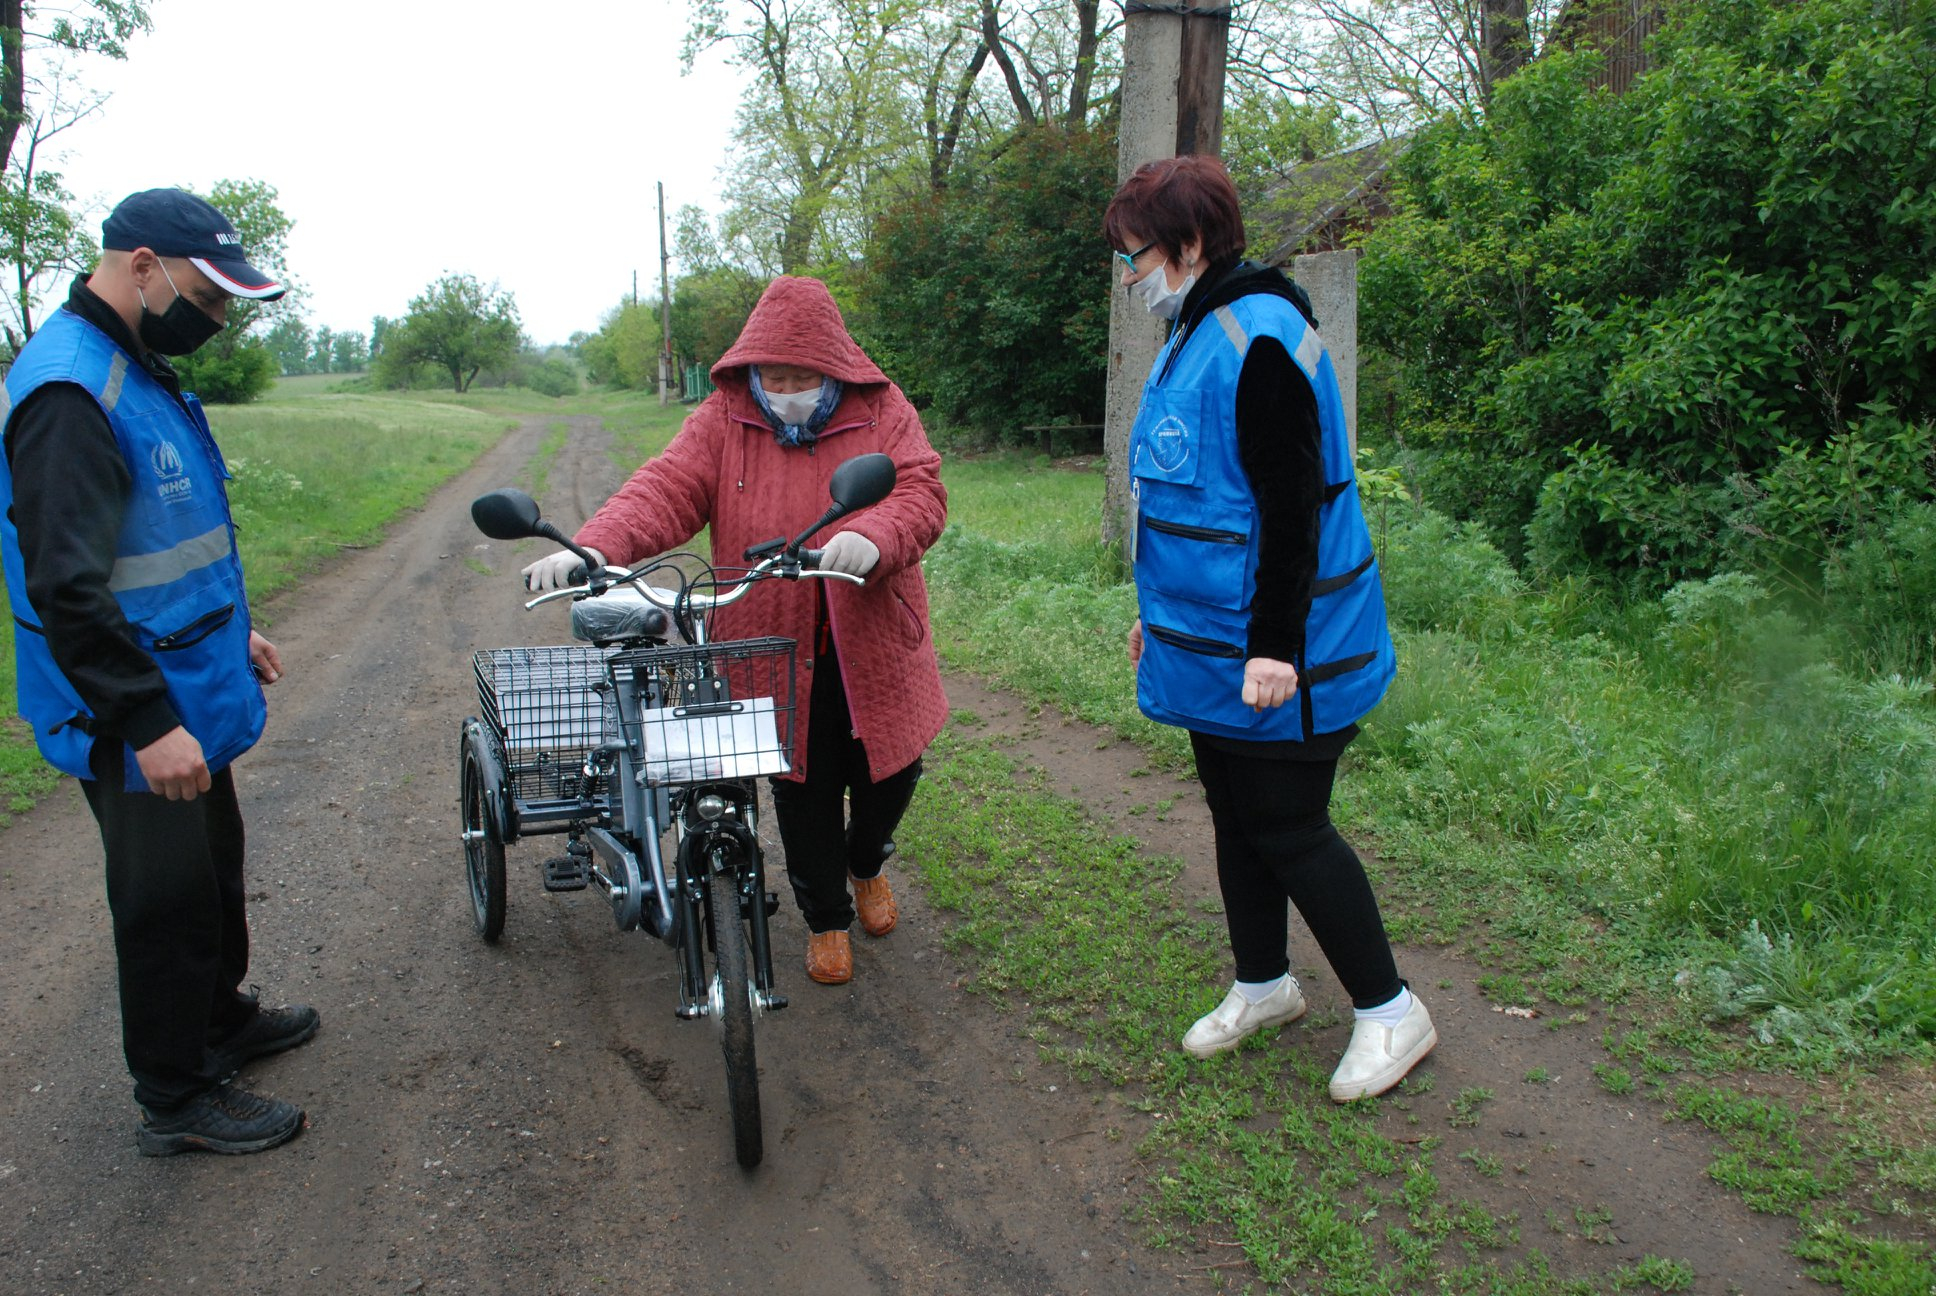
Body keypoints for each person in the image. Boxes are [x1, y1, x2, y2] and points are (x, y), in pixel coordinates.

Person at [1105, 156, 1436, 1102]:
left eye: (1136, 257)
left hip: (1289, 649)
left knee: (1289, 823)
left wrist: (1275, 652)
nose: (1131, 278)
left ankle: (1390, 1009)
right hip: (1208, 642)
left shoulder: (1258, 337)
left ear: (1190, 243)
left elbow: (1291, 513)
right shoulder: (1195, 330)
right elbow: (1191, 504)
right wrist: (1155, 622)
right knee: (1234, 809)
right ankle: (1265, 984)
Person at [0, 189, 318, 1155]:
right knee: (164, 902)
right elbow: (70, 590)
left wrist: (237, 636)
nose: (218, 321)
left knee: (213, 873)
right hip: (129, 710)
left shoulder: (133, 367)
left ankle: (220, 1022)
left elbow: (172, 540)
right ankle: (175, 1098)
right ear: (141, 267)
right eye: (211, 298)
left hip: (188, 683)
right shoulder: (68, 393)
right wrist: (143, 723)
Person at [523, 275, 948, 987]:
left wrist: (875, 535)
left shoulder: (883, 409)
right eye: (772, 375)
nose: (783, 388)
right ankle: (825, 920)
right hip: (769, 636)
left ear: (833, 367)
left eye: (800, 376)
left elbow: (920, 489)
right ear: (750, 370)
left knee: (893, 771)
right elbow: (668, 485)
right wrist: (594, 547)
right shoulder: (725, 416)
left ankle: (867, 861)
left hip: (871, 633)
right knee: (800, 783)